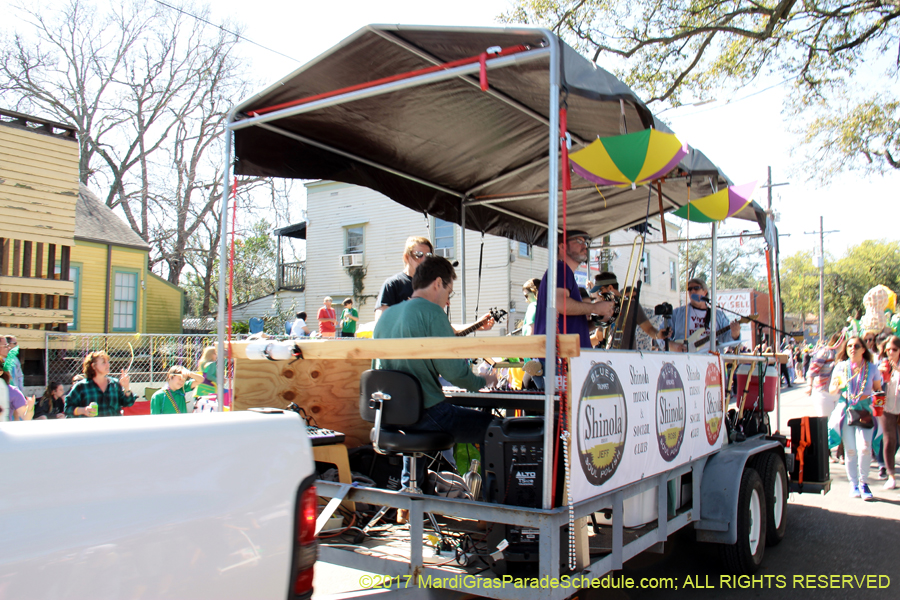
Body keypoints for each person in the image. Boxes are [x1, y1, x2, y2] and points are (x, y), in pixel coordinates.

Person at [374, 255, 498, 499]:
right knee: (493, 428)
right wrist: (484, 382)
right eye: (449, 293)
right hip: (426, 415)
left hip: (388, 416)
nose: (448, 303)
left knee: (419, 425)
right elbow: (453, 372)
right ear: (438, 283)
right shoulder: (432, 312)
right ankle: (492, 507)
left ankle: (409, 497)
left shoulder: (385, 317)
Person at [375, 235, 494, 333]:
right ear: (407, 257)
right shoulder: (393, 284)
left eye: (429, 256)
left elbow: (444, 328)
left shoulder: (433, 285)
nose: (424, 260)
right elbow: (380, 325)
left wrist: (476, 325)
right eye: (419, 255)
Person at [533, 231, 615, 348]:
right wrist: (595, 308)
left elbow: (574, 326)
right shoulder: (560, 269)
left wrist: (598, 321)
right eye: (579, 241)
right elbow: (560, 304)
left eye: (585, 242)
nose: (584, 246)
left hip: (566, 357)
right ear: (562, 246)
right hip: (560, 360)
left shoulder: (564, 272)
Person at [828, 335, 883, 501]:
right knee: (850, 450)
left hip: (865, 411)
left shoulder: (872, 368)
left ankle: (864, 482)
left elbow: (878, 390)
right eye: (850, 346)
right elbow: (832, 391)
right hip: (847, 410)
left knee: (865, 447)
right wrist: (837, 386)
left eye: (856, 346)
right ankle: (854, 484)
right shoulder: (841, 367)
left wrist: (879, 410)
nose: (852, 349)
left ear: (863, 349)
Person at [588, 272, 669, 348]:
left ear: (610, 288)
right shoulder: (603, 309)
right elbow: (598, 337)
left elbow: (649, 329)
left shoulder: (631, 306)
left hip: (628, 358)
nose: (599, 295)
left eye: (600, 291)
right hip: (610, 357)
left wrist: (658, 335)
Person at [668, 278, 740, 352]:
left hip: (712, 359)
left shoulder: (718, 315)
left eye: (696, 288)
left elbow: (728, 341)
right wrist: (673, 345)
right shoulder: (678, 313)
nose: (692, 291)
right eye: (689, 289)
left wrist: (735, 334)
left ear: (705, 292)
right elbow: (661, 335)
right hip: (686, 359)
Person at [64, 351, 135, 418]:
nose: (108, 364)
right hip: (92, 429)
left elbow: (128, 403)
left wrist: (126, 388)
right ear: (93, 366)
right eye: (103, 362)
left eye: (108, 362)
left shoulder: (115, 383)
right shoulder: (81, 386)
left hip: (113, 428)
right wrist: (84, 410)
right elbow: (68, 408)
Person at [878, 335, 900, 490]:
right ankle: (891, 475)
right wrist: (879, 375)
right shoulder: (882, 364)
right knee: (889, 439)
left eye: (894, 349)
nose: (891, 352)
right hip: (887, 406)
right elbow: (875, 386)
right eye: (888, 349)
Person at [807, 333, 841, 418]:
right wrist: (809, 385)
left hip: (840, 392)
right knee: (825, 421)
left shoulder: (846, 354)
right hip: (824, 392)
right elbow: (812, 369)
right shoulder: (826, 352)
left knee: (838, 423)